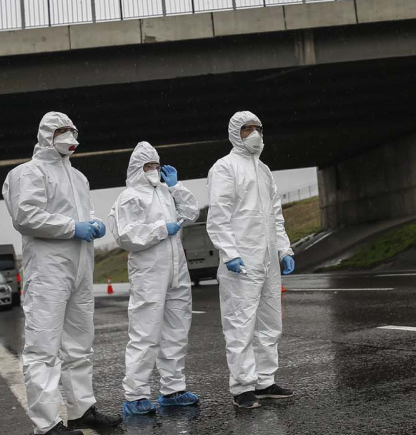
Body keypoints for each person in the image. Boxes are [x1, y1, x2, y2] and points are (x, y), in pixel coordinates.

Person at [2, 112, 122, 435]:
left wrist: (94, 223)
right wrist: (73, 227)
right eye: (61, 131)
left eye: (71, 130)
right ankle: (46, 425)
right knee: (44, 348)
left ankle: (82, 409)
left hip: (81, 269)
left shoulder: (79, 177)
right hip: (48, 270)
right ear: (45, 135)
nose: (68, 136)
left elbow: (85, 212)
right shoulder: (27, 173)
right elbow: (27, 216)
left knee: (80, 345)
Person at [206, 111, 297, 409]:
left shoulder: (264, 170)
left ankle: (265, 380)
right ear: (235, 133)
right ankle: (242, 386)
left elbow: (275, 214)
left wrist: (284, 249)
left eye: (258, 128)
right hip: (242, 261)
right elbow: (218, 216)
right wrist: (229, 253)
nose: (255, 134)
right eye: (248, 129)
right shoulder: (225, 168)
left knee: (271, 322)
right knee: (240, 323)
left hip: (268, 258)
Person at [107, 141, 201, 418]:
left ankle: (173, 389)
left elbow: (191, 213)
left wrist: (176, 187)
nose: (154, 170)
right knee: (145, 333)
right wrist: (161, 228)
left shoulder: (165, 192)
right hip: (149, 271)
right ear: (137, 168)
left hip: (177, 269)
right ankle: (135, 395)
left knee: (177, 329)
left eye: (157, 166)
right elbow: (127, 236)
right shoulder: (129, 197)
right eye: (148, 166)